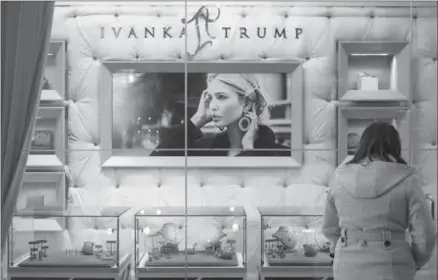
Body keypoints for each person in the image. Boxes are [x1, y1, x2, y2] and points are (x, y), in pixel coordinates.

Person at [322, 122, 436, 280]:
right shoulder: (408, 178)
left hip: (347, 267)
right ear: (395, 146)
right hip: (394, 267)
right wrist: (414, 261)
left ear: (363, 144)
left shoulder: (338, 177)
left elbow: (329, 228)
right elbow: (425, 235)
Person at [150, 73, 290, 157]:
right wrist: (196, 120)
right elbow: (156, 162)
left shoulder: (282, 154)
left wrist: (248, 148)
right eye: (210, 98)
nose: (212, 106)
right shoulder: (204, 148)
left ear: (247, 103)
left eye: (221, 97)